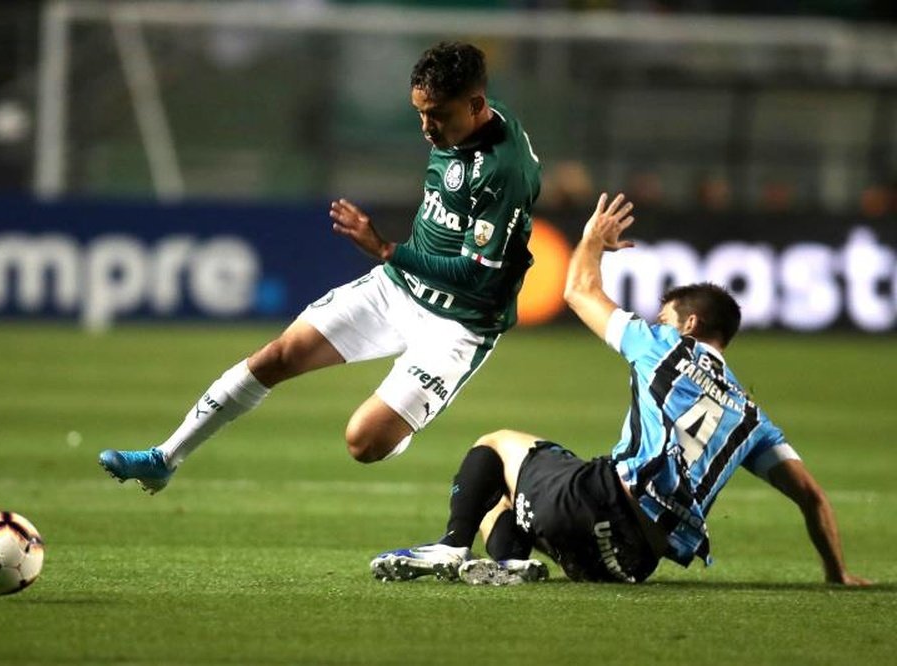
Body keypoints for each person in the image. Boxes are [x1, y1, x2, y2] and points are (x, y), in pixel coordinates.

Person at [98, 41, 542, 492]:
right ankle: (164, 457)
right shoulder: (463, 120)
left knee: (364, 442)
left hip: (459, 321)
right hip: (399, 289)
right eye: (420, 114)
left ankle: (401, 420)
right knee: (278, 355)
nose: (427, 127)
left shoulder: (503, 171)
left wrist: (388, 249)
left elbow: (478, 274)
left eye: (438, 115)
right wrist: (396, 263)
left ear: (476, 105)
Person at [371, 193, 871, 587]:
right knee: (507, 496)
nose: (658, 322)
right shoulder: (751, 417)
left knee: (498, 443)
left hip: (595, 505)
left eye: (666, 317)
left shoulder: (665, 348)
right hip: (631, 561)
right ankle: (509, 565)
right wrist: (836, 573)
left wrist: (590, 240)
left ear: (689, 325)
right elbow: (813, 497)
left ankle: (451, 546)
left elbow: (578, 292)